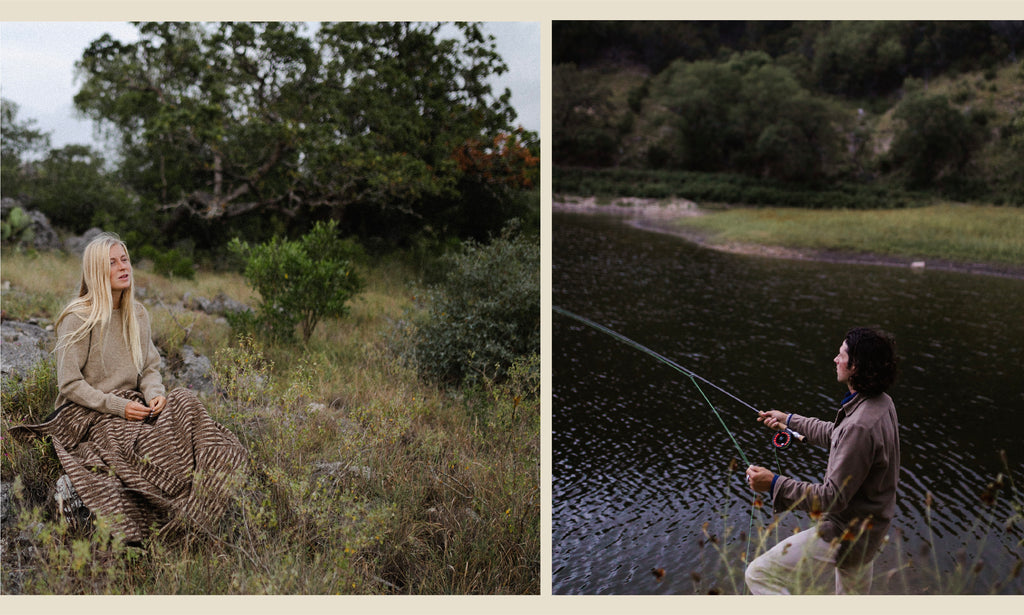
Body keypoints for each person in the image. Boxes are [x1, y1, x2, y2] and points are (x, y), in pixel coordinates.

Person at [12, 232, 247, 544]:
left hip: (136, 403)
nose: (123, 267)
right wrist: (117, 407)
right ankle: (174, 509)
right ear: (96, 270)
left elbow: (149, 368)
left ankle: (205, 489)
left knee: (185, 400)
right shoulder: (78, 318)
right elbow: (69, 384)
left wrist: (155, 394)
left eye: (125, 259)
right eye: (112, 262)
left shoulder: (138, 314)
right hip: (94, 414)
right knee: (138, 442)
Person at [744, 327, 899, 595]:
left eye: (841, 355)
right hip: (870, 532)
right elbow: (838, 434)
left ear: (856, 366)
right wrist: (789, 420)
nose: (835, 360)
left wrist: (774, 484)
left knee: (759, 575)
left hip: (844, 534)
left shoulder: (860, 425)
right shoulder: (881, 403)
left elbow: (831, 498)